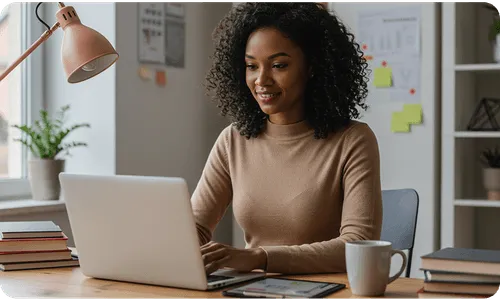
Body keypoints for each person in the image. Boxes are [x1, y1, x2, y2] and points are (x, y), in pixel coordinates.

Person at [191, 1, 382, 275]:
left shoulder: (353, 140)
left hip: (327, 291)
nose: (261, 80)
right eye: (251, 66)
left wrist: (260, 258)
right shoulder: (233, 140)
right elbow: (196, 227)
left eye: (279, 65)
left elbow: (357, 244)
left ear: (312, 67)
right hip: (251, 290)